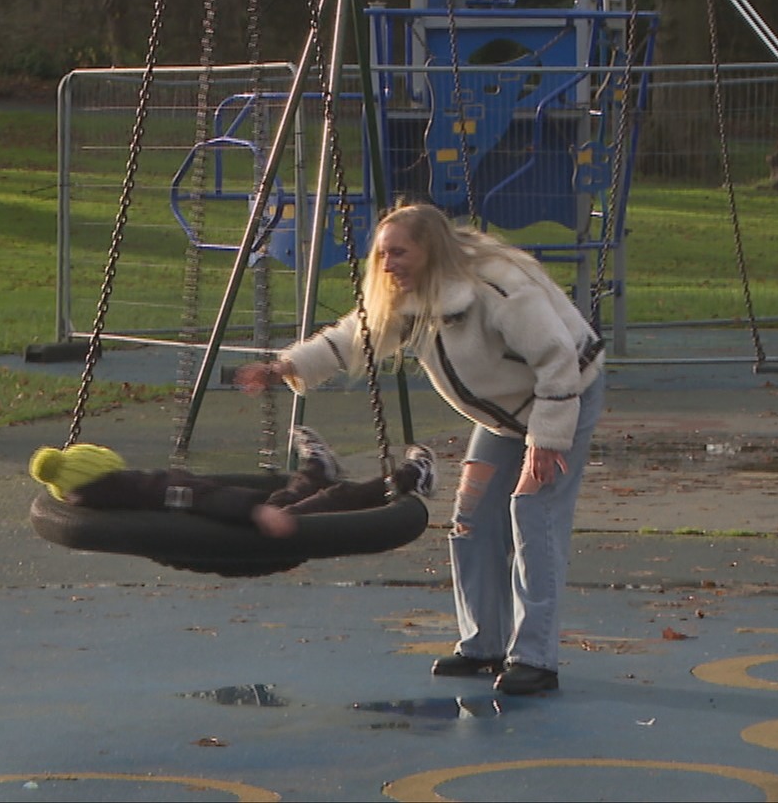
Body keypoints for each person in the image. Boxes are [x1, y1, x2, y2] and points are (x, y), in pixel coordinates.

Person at [234, 202, 604, 696]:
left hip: (563, 398)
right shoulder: (409, 297)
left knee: (533, 514)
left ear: (430, 250)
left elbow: (558, 357)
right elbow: (352, 337)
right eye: (382, 254)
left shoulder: (498, 287)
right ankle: (483, 644)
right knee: (472, 519)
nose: (388, 264)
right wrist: (284, 367)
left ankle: (535, 659)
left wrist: (548, 438)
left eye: (399, 252)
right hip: (501, 419)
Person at [29, 427, 436, 539]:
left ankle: (320, 469)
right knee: (329, 500)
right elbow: (198, 496)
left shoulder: (101, 496)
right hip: (231, 536)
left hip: (220, 532)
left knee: (289, 499)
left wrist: (255, 509)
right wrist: (253, 511)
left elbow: (197, 497)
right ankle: (409, 477)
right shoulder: (137, 489)